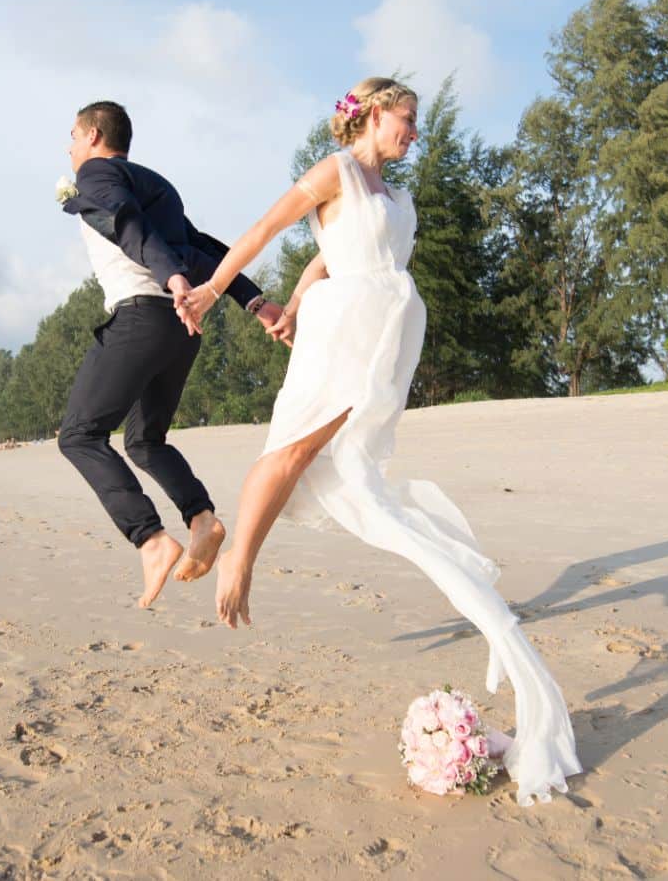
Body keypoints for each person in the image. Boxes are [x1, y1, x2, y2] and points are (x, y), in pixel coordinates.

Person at [178, 77, 580, 805]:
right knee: (295, 448)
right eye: (407, 118)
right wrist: (213, 290)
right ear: (371, 113)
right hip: (343, 331)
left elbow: (328, 256)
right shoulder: (335, 172)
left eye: (416, 122)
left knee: (340, 463)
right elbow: (265, 230)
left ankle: (246, 552)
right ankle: (240, 560)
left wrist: (299, 296)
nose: (414, 132)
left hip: (382, 333)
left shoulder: (398, 198)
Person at [57, 100, 286, 608]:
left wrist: (171, 276)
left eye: (72, 134)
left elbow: (126, 225)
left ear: (93, 135)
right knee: (144, 441)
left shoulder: (96, 173)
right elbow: (203, 246)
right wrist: (255, 300)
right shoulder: (155, 183)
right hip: (181, 328)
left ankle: (150, 539)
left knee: (79, 436)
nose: (69, 145)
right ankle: (202, 518)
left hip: (142, 317)